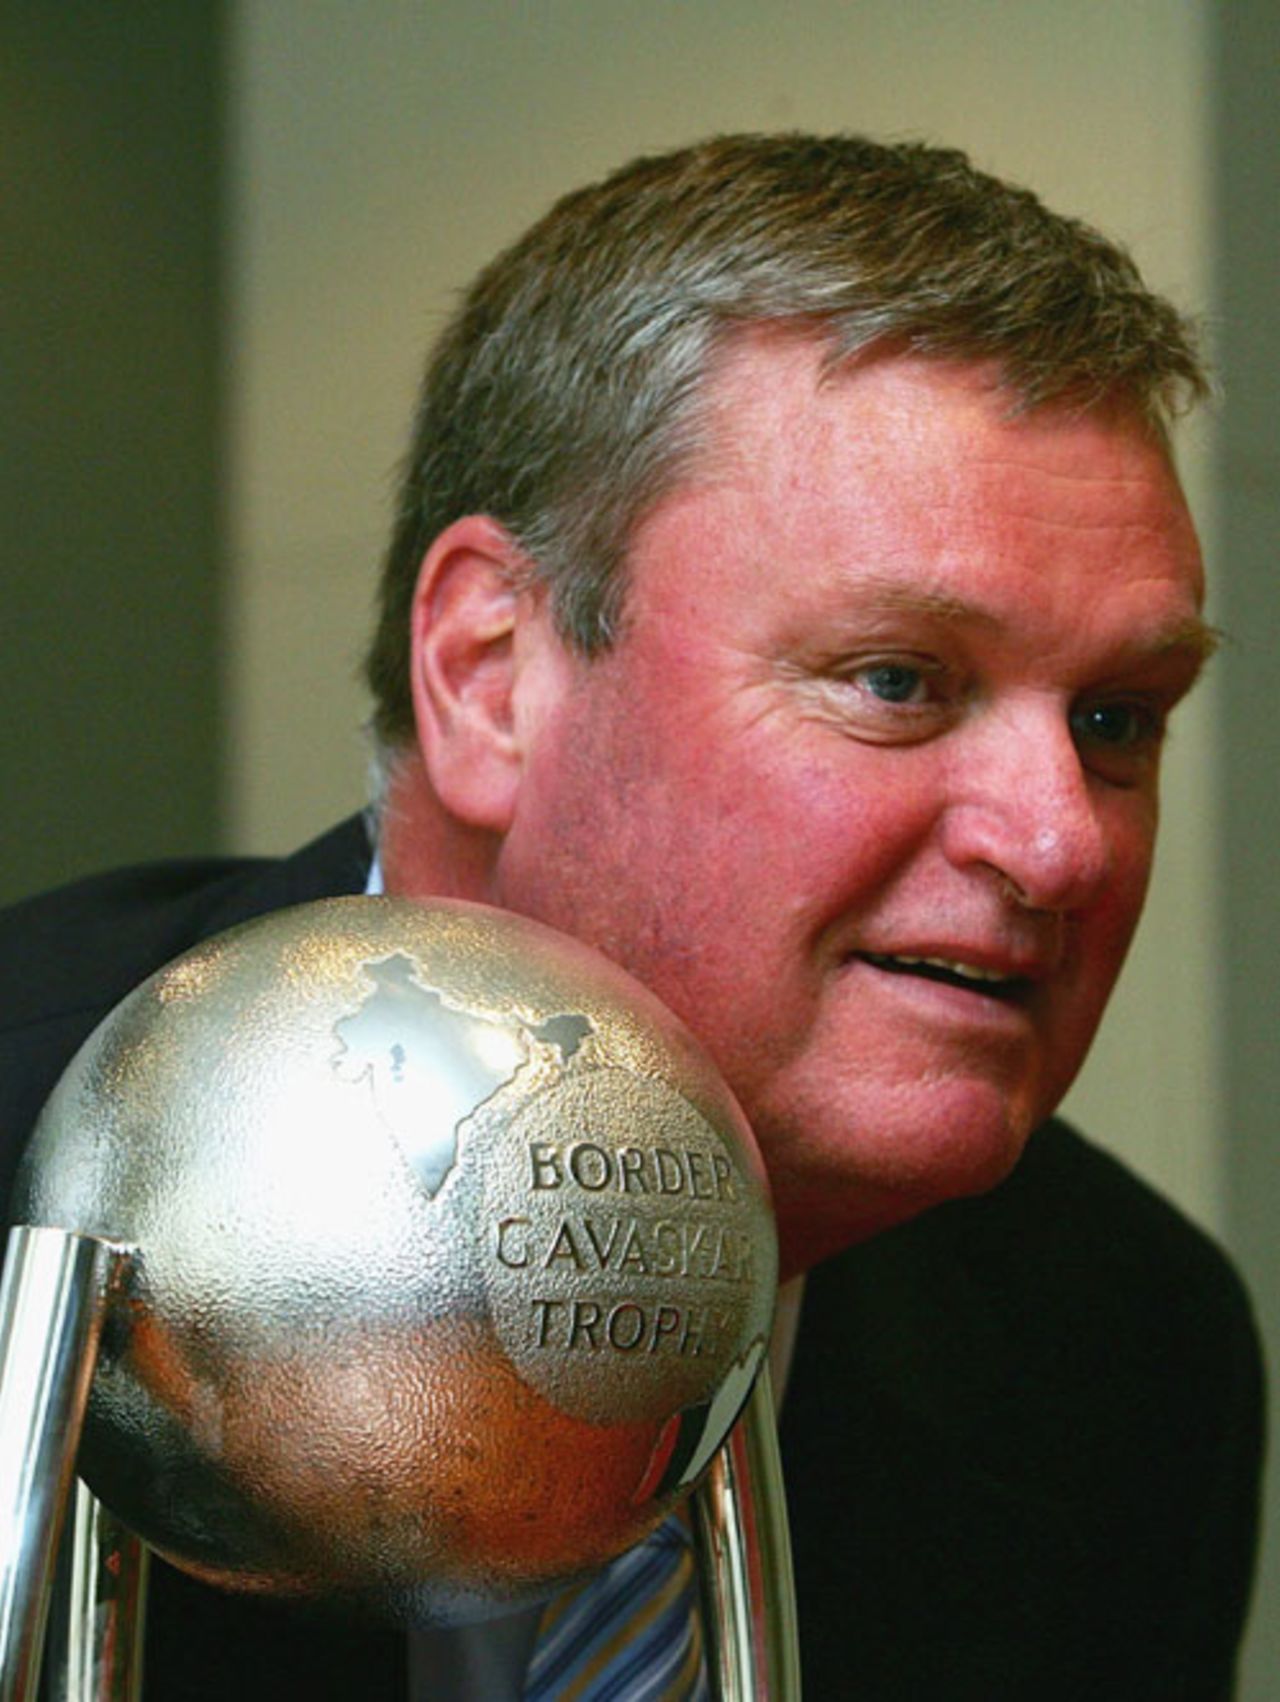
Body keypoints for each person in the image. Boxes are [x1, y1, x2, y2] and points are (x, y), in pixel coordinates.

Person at [0, 133, 1263, 1699]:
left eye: (1122, 719)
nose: (1064, 842)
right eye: (895, 680)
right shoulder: (18, 1158)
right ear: (489, 673)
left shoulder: (1131, 1348)